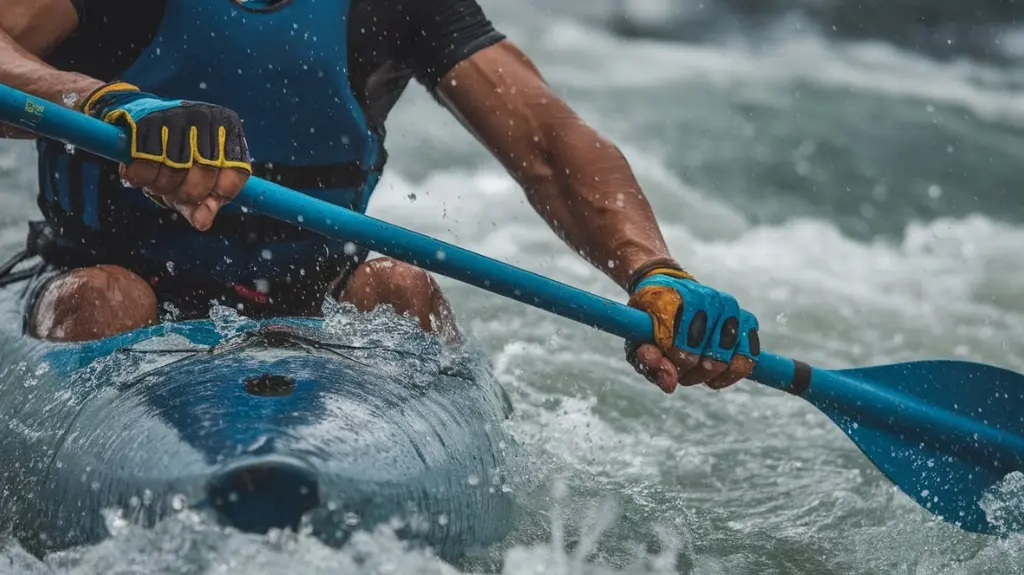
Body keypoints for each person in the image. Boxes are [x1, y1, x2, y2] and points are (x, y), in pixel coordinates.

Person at [0, 0, 760, 393]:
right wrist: (103, 103)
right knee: (107, 299)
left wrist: (653, 270)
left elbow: (549, 145)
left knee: (399, 289)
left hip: (306, 290)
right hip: (95, 272)